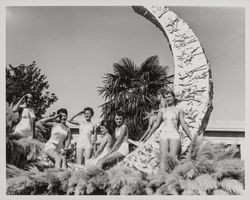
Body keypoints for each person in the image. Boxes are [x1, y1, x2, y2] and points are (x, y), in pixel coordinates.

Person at [146, 89, 192, 172]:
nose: (168, 99)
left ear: (174, 97)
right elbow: (156, 124)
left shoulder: (179, 110)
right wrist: (149, 134)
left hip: (175, 135)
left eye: (169, 96)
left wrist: (191, 137)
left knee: (173, 158)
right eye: (166, 97)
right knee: (163, 158)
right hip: (164, 135)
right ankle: (162, 178)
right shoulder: (162, 111)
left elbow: (184, 124)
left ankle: (173, 180)